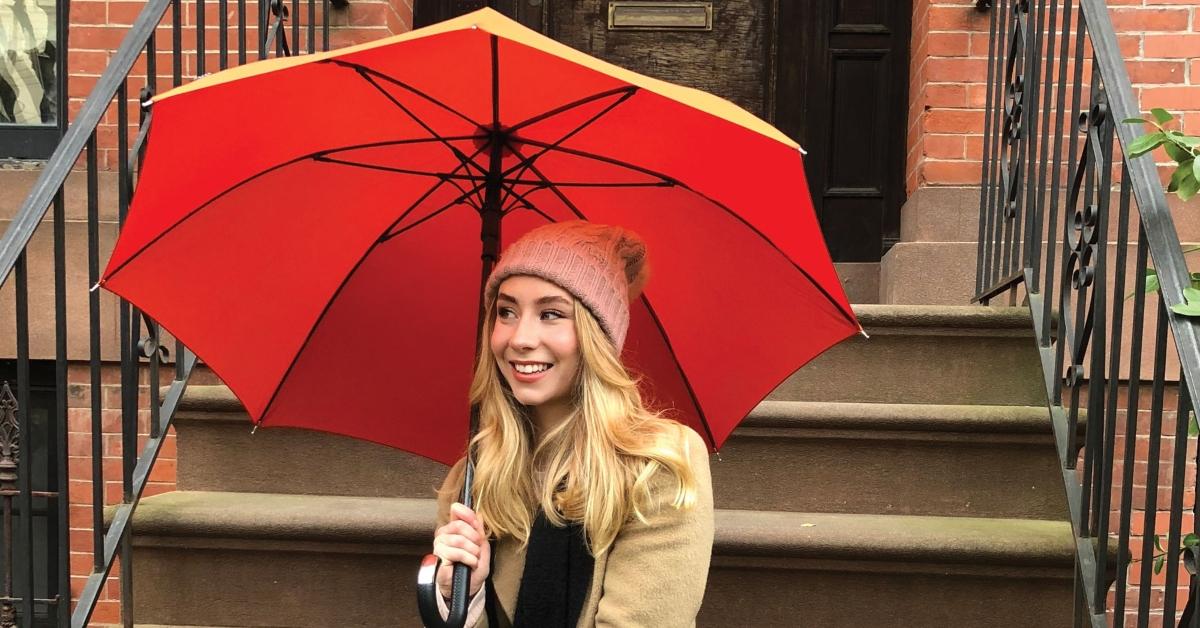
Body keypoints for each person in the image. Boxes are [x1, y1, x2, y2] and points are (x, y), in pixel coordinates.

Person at [431, 220, 715, 628]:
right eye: (506, 311)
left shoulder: (658, 466)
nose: (520, 338)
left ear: (596, 336)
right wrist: (460, 597)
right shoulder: (474, 479)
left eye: (550, 314)